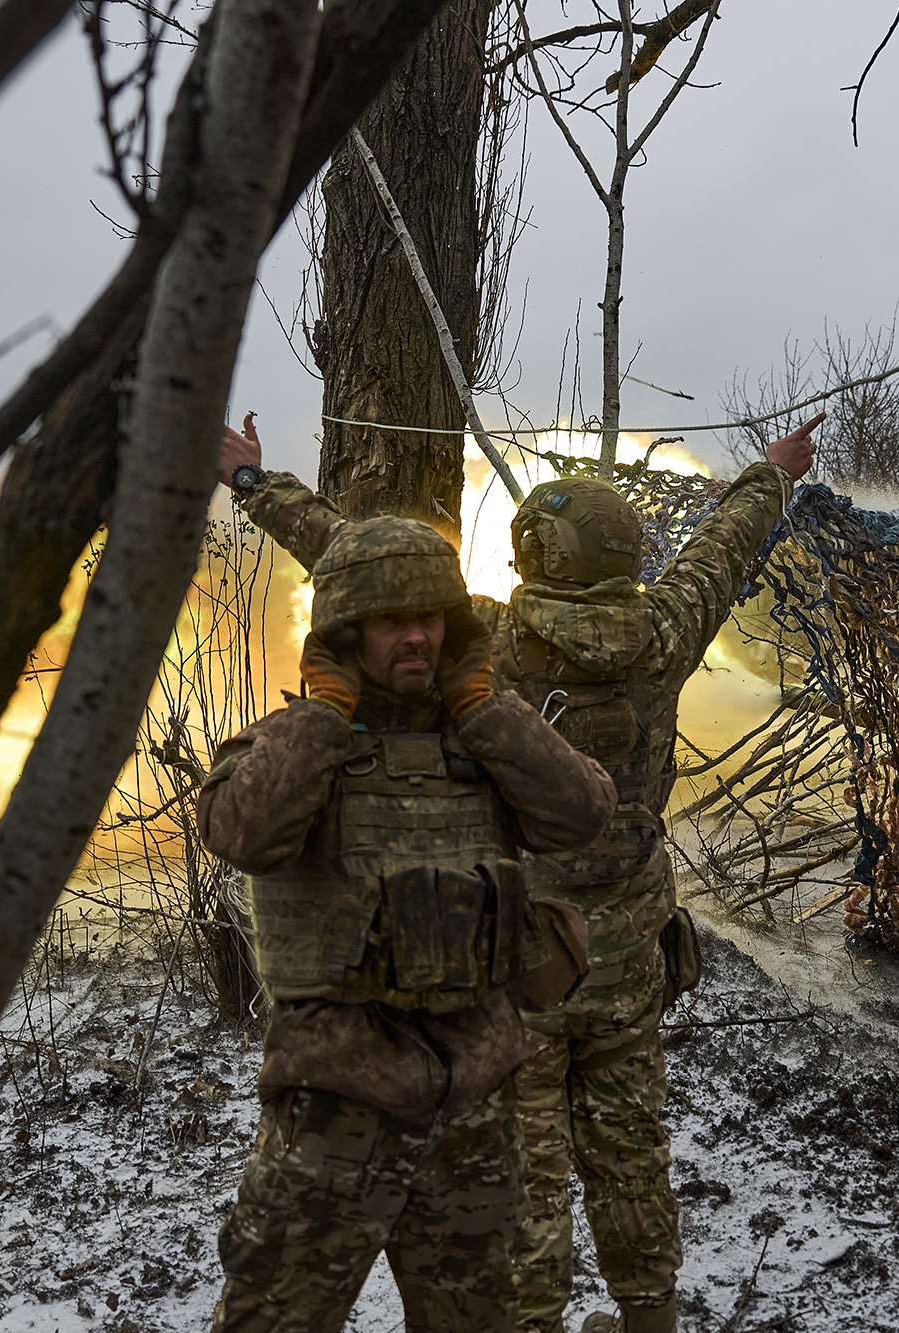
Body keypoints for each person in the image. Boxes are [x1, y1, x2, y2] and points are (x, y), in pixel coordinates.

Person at [216, 412, 821, 1333]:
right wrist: (773, 474)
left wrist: (258, 487)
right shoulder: (664, 629)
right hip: (629, 957)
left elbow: (360, 559)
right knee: (631, 1151)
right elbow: (722, 547)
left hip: (521, 955)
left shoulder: (491, 639)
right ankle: (648, 1316)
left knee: (530, 1174)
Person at [197, 513, 616, 1333]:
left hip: (472, 1108)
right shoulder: (300, 740)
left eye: (429, 617)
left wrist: (487, 711)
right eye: (392, 620)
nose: (416, 637)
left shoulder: (487, 737)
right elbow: (239, 831)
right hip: (333, 1112)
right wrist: (324, 716)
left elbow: (582, 815)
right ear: (347, 632)